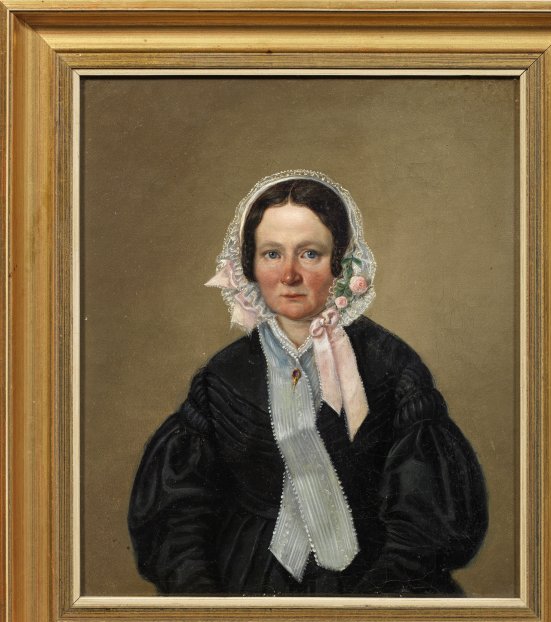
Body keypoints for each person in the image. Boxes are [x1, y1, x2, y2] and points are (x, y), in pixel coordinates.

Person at [128, 170, 488, 596]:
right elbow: (177, 515)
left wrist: (372, 604)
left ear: (341, 263)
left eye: (310, 254)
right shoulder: (222, 377)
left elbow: (427, 516)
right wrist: (206, 599)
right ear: (248, 265)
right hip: (246, 581)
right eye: (272, 254)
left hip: (377, 579)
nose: (289, 275)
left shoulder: (391, 365)